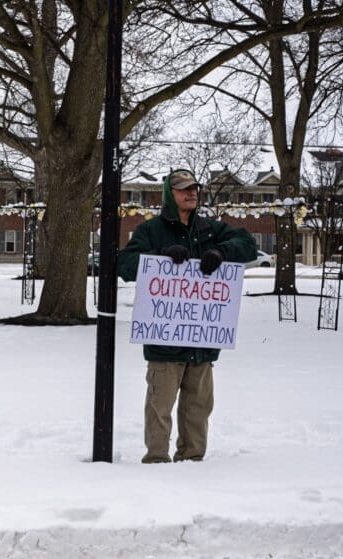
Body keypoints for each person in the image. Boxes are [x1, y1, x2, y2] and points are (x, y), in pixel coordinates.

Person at [118, 169, 256, 464]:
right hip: (164, 342)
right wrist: (160, 255)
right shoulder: (150, 230)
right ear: (170, 193)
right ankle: (156, 461)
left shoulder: (210, 230)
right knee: (160, 407)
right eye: (183, 189)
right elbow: (126, 265)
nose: (191, 193)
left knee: (198, 408)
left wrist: (222, 251)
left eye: (194, 188)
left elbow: (247, 245)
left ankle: (193, 463)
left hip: (201, 344)